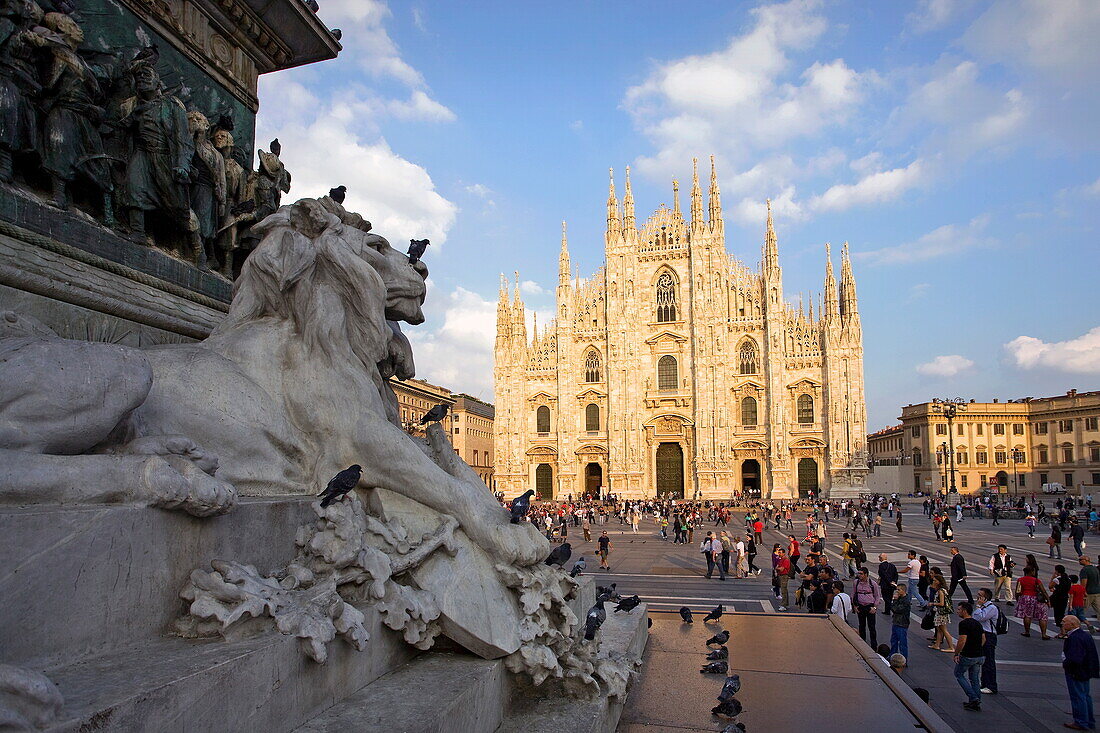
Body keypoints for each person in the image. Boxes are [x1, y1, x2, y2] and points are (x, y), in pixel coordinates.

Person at [1061, 615, 1100, 730]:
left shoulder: (1074, 638)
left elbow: (1075, 658)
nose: (1062, 624)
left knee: (1078, 696)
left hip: (1076, 672)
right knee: (1085, 696)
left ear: (1072, 624)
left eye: (1064, 622)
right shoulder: (1084, 635)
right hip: (1085, 671)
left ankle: (1081, 721)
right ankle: (1089, 721)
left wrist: (1066, 664)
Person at [953, 601, 986, 711]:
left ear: (964, 611)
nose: (957, 611)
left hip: (968, 655)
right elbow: (983, 638)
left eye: (959, 609)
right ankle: (976, 701)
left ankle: (973, 697)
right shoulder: (977, 623)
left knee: (958, 674)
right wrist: (978, 648)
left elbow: (962, 640)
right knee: (974, 678)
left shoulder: (964, 624)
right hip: (979, 655)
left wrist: (957, 653)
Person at [972, 588, 1000, 695]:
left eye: (980, 595)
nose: (977, 597)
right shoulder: (984, 607)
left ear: (985, 597)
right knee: (984, 661)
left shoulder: (991, 608)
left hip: (989, 636)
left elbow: (979, 617)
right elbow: (975, 617)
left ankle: (991, 685)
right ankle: (984, 683)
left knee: (989, 661)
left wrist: (978, 606)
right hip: (983, 634)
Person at [1015, 566, 1052, 639]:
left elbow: (1017, 591)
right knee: (1042, 616)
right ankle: (1044, 634)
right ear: (1032, 572)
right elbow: (1043, 591)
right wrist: (1048, 600)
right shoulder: (1036, 580)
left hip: (1025, 598)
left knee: (1027, 616)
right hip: (1036, 598)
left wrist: (1017, 599)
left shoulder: (1020, 580)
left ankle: (1027, 631)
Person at [853, 568, 881, 647]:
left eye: (861, 574)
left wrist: (874, 607)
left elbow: (877, 596)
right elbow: (854, 594)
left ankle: (874, 646)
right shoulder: (856, 582)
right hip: (860, 606)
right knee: (861, 626)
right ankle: (862, 645)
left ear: (866, 574)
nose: (859, 575)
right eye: (859, 573)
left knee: (871, 627)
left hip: (870, 607)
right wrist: (855, 606)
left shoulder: (873, 584)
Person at [929, 575, 956, 652]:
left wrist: (933, 604)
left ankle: (951, 647)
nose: (933, 582)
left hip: (941, 612)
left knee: (944, 630)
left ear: (939, 582)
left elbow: (941, 603)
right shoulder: (943, 590)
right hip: (940, 612)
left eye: (935, 580)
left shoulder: (941, 591)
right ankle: (937, 645)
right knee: (939, 629)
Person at [890, 583, 911, 661]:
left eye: (899, 590)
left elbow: (896, 609)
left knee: (902, 643)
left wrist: (894, 600)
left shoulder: (905, 601)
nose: (897, 591)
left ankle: (903, 659)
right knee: (894, 641)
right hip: (896, 622)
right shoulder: (901, 598)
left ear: (903, 590)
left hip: (902, 623)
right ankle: (892, 656)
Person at [1079, 556, 1100, 627]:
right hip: (1097, 592)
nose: (1079, 561)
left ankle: (1075, 626)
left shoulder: (1084, 570)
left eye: (1081, 560)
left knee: (1081, 611)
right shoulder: (1095, 569)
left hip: (1088, 593)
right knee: (1099, 610)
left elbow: (1083, 583)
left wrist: (1083, 593)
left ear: (1086, 560)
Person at [1052, 565, 1072, 634]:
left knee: (1057, 615)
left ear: (1057, 571)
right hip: (1065, 598)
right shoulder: (1068, 579)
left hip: (1057, 598)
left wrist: (1053, 577)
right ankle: (1063, 631)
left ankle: (1063, 632)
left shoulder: (1057, 579)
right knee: (1062, 614)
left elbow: (1050, 586)